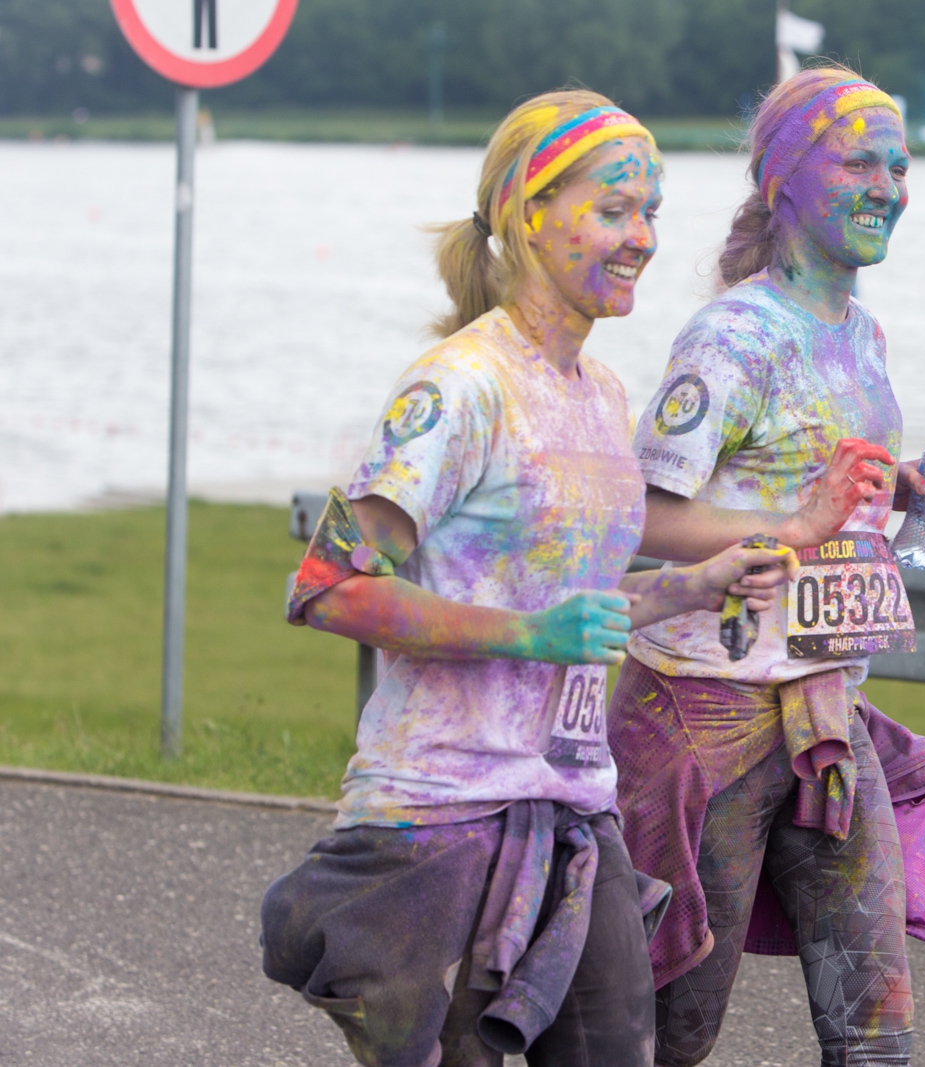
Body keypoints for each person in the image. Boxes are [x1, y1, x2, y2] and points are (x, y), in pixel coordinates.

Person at [258, 90, 793, 1067]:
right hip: (436, 809)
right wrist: (529, 636)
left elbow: (572, 612)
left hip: (572, 807)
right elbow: (326, 585)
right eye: (614, 208)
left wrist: (696, 581)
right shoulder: (458, 387)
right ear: (528, 211)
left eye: (653, 212)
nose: (642, 237)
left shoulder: (604, 396)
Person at [610, 66, 925, 1067]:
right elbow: (645, 510)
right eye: (859, 161)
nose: (887, 187)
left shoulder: (861, 333)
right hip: (704, 715)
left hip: (822, 704)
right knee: (666, 1029)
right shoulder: (732, 334)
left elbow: (812, 490)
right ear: (783, 180)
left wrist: (900, 488)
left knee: (876, 1033)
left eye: (899, 167)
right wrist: (798, 518)